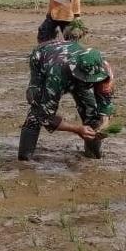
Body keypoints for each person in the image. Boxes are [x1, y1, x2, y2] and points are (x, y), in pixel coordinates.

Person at [18, 30, 113, 160]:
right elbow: (46, 117)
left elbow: (105, 102)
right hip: (43, 57)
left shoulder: (104, 69)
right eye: (85, 80)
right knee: (36, 112)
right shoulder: (57, 75)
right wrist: (77, 129)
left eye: (92, 81)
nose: (88, 84)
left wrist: (104, 124)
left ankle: (93, 155)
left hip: (69, 54)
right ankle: (25, 159)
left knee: (93, 112)